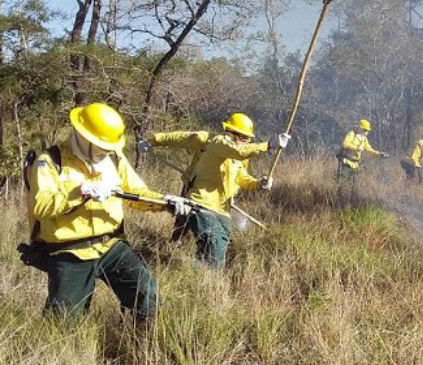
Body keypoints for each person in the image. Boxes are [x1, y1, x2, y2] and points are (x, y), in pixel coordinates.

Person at [24, 102, 188, 321]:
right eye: (102, 146)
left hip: (112, 245)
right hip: (70, 252)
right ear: (84, 137)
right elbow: (41, 206)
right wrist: (80, 193)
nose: (107, 151)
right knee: (62, 321)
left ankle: (140, 343)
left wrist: (165, 201)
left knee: (148, 298)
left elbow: (135, 193)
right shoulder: (50, 162)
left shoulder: (114, 157)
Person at [182, 112, 289, 268]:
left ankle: (199, 274)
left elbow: (242, 179)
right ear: (232, 132)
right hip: (202, 204)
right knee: (214, 251)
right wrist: (268, 145)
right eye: (243, 137)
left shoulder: (236, 159)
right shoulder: (219, 143)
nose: (245, 141)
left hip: (222, 210)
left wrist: (259, 183)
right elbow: (240, 151)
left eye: (247, 138)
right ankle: (183, 267)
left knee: (218, 251)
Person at [336, 119, 389, 196]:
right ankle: (338, 200)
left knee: (353, 186)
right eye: (364, 130)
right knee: (343, 184)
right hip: (346, 162)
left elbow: (369, 150)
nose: (366, 132)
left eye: (367, 130)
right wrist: (356, 148)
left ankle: (350, 201)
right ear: (359, 128)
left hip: (355, 165)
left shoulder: (364, 139)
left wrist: (379, 154)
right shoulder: (351, 134)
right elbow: (345, 144)